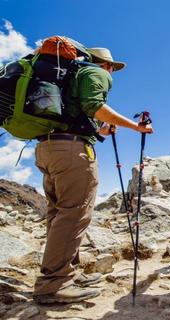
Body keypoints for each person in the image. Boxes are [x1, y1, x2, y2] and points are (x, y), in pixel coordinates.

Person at [33, 47, 153, 304]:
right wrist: (136, 127)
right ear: (105, 64)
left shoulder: (67, 77)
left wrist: (101, 131)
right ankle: (52, 286)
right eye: (111, 67)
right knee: (74, 213)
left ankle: (65, 274)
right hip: (72, 152)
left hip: (48, 148)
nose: (111, 72)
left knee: (59, 213)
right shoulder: (95, 72)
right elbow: (95, 106)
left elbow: (78, 114)